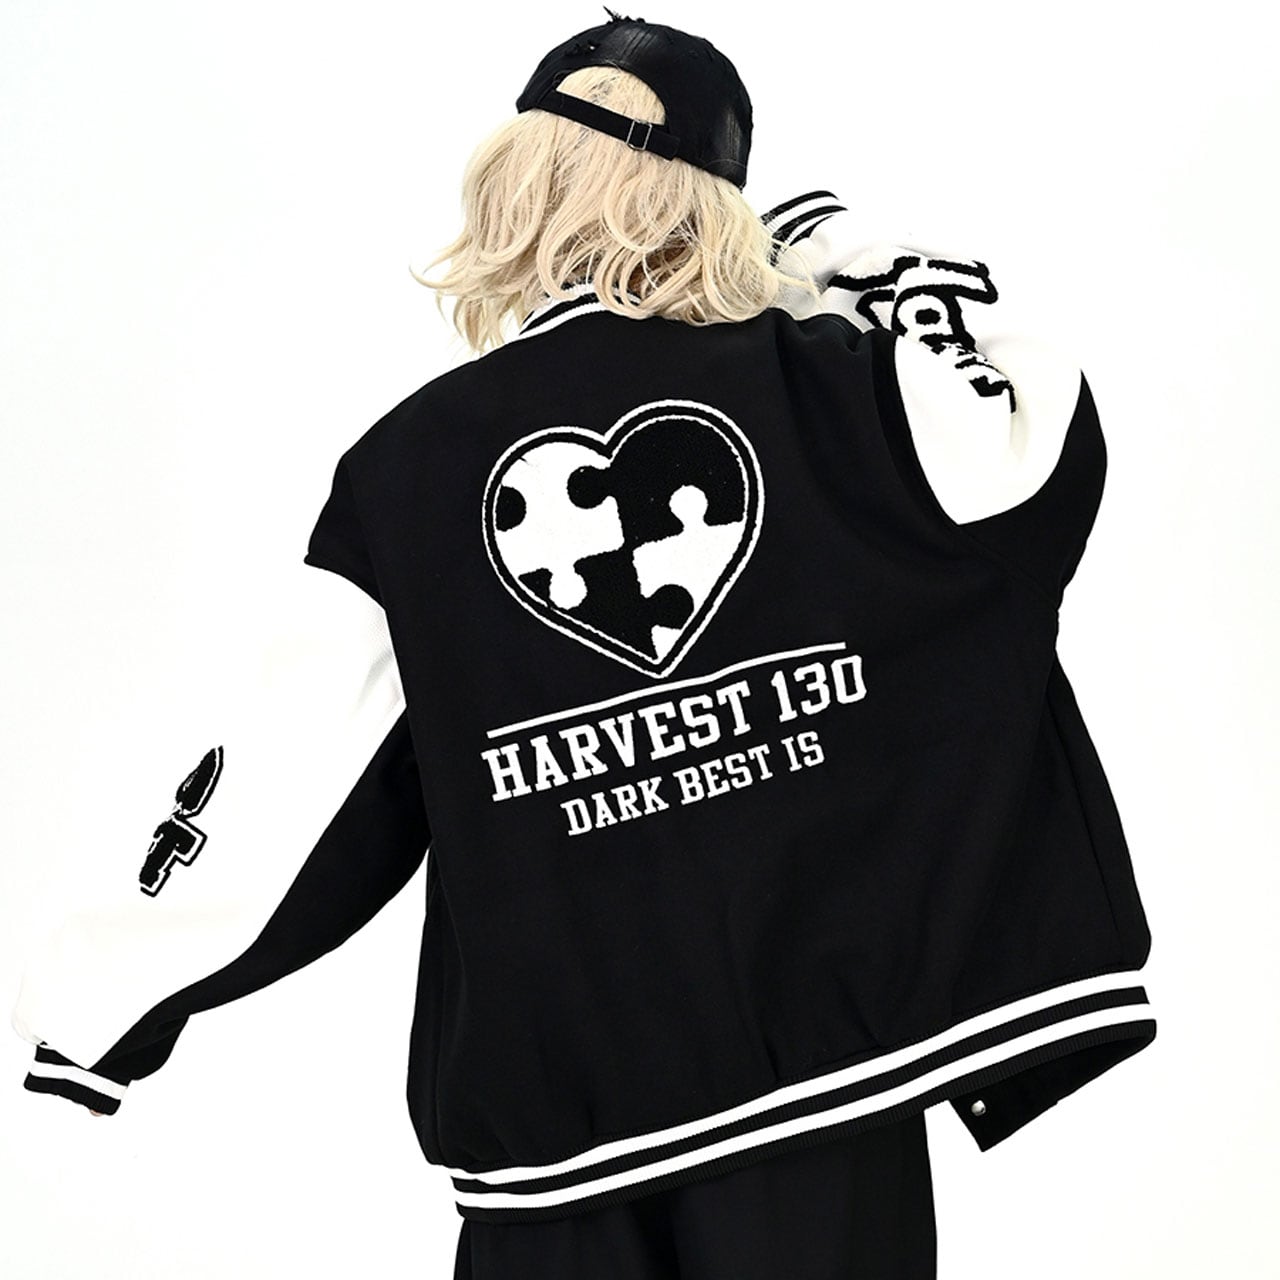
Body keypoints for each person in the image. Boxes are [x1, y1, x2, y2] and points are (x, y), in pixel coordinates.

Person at [12, 9, 1156, 1278]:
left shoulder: (408, 472)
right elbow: (1028, 435)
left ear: (514, 179)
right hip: (828, 1114)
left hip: (562, 1144)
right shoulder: (833, 390)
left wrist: (98, 1000)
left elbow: (293, 785)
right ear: (718, 201)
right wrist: (822, 252)